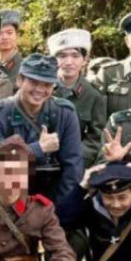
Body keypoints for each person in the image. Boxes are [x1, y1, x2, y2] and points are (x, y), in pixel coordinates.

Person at [0, 53, 84, 202]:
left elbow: (73, 168)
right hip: (9, 198)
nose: (40, 90)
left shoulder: (65, 112)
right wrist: (38, 149)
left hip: (52, 198)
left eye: (47, 85)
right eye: (34, 82)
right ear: (19, 80)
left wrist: (59, 214)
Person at [48, 28, 107, 163]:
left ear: (85, 60)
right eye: (62, 56)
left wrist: (73, 156)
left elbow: (95, 138)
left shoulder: (94, 96)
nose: (69, 62)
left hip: (75, 163)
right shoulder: (42, 88)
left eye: (75, 56)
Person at [0, 9, 24, 79]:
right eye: (0, 33)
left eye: (9, 33)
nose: (5, 37)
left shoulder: (28, 67)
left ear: (17, 35)